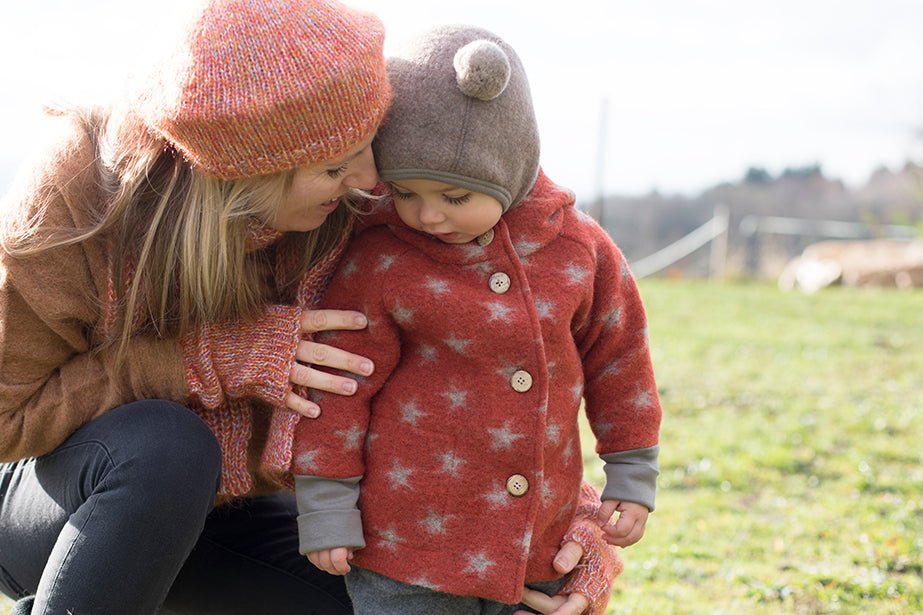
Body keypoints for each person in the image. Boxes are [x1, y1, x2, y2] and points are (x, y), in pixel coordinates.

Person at [0, 2, 620, 614]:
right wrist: (202, 359)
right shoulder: (77, 196)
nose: (369, 176)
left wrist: (573, 522)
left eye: (369, 143)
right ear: (239, 175)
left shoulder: (371, 201)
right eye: (333, 166)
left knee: (463, 596)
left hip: (240, 519)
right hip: (70, 506)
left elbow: (471, 372)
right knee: (170, 445)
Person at [292, 24, 662, 615]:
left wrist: (631, 469)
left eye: (454, 196)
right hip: (405, 547)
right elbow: (338, 390)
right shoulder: (382, 258)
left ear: (512, 167)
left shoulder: (582, 252)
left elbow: (621, 362)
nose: (427, 214)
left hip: (537, 542)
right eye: (406, 192)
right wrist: (326, 503)